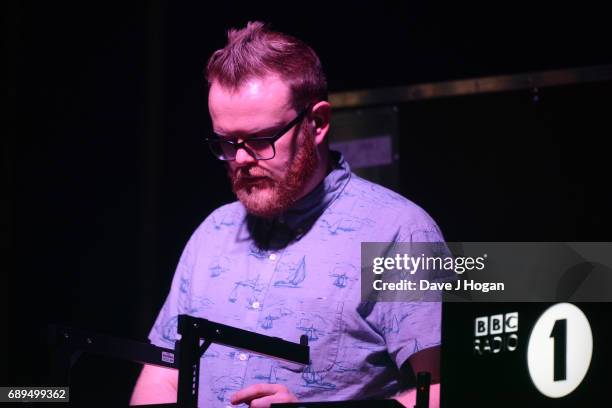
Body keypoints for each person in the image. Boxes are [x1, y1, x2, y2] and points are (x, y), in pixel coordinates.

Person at [131, 21, 443, 408]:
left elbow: (444, 391)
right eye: (226, 142)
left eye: (260, 140)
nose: (241, 159)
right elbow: (162, 378)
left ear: (317, 124)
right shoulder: (212, 233)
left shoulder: (399, 233)